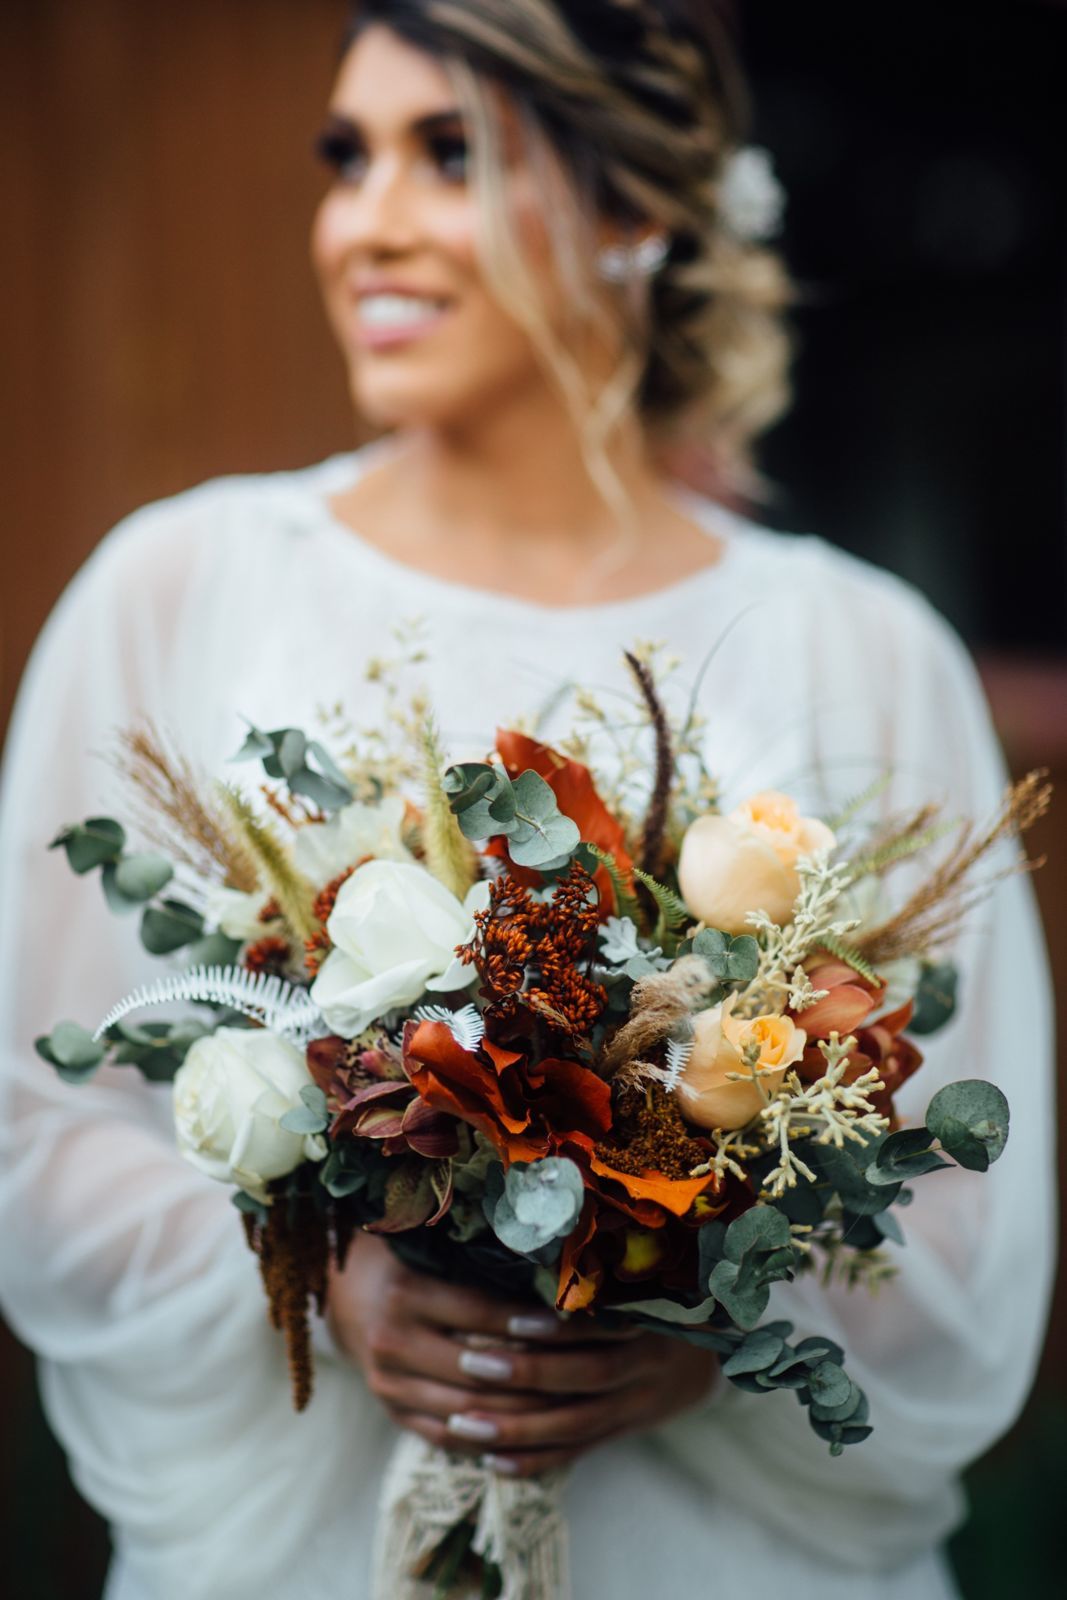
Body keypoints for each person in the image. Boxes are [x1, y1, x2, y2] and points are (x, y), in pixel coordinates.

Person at [0, 4, 1054, 1598]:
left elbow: (966, 1214)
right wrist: (320, 1272)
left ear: (639, 208)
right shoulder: (178, 589)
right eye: (346, 159)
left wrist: (717, 1325)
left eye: (448, 157)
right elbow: (41, 1121)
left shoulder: (864, 651)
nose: (367, 222)